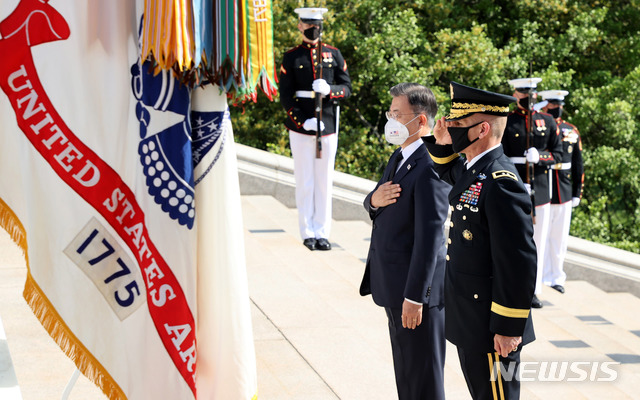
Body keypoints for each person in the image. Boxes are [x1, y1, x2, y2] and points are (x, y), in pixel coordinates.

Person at [423, 81, 537, 400]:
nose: (451, 126)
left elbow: (518, 261)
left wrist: (509, 326)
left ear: (482, 129)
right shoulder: (477, 169)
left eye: (458, 123)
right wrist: (442, 142)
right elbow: (454, 177)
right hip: (472, 320)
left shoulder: (501, 182)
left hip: (493, 327)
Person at [359, 83, 450, 400]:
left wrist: (416, 297)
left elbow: (431, 237)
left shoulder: (430, 166)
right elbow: (379, 201)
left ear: (421, 121)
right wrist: (373, 200)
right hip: (394, 286)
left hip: (414, 295)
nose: (391, 120)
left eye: (398, 114)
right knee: (408, 375)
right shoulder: (400, 155)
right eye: (390, 113)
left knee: (424, 378)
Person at [278, 7, 351, 251]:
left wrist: (331, 90)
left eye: (316, 23)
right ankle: (307, 231)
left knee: (324, 181)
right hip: (301, 127)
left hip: (328, 125)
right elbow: (286, 96)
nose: (312, 27)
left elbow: (347, 87)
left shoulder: (333, 54)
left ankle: (322, 232)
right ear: (299, 25)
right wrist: (302, 121)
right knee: (305, 180)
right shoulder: (292, 57)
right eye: (307, 23)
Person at [502, 77, 562, 308]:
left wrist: (542, 157)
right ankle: (509, 286)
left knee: (537, 241)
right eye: (523, 92)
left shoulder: (547, 121)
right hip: (513, 186)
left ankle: (532, 290)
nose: (527, 97)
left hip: (541, 189)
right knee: (510, 239)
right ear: (516, 94)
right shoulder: (507, 120)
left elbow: (559, 154)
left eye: (531, 92)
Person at [538, 89, 584, 294]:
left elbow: (578, 164)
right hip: (543, 186)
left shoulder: (571, 130)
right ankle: (537, 278)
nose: (556, 108)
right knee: (539, 237)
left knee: (559, 237)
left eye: (558, 105)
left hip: (563, 188)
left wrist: (577, 192)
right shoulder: (541, 127)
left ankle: (555, 276)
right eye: (552, 105)